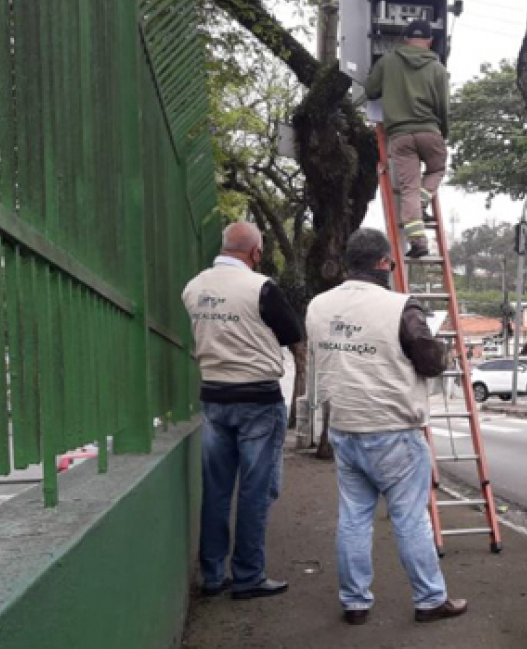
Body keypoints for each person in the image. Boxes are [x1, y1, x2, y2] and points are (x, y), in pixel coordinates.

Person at [306, 229, 466, 626]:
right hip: (394, 429)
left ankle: (355, 602)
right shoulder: (401, 308)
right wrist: (443, 352)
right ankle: (430, 599)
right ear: (383, 263)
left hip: (344, 425)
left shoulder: (318, 306)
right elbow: (429, 361)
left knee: (353, 518)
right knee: (410, 518)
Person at [181, 222, 305, 600]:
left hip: (214, 398)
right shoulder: (261, 288)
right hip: (258, 402)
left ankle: (213, 575)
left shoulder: (193, 287)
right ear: (255, 253)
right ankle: (249, 575)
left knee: (216, 490)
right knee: (254, 491)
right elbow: (292, 334)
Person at [365, 19, 450, 259]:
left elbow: (371, 90)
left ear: (404, 39)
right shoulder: (438, 68)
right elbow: (443, 105)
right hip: (429, 131)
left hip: (399, 135)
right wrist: (442, 132)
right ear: (430, 41)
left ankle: (419, 242)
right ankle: (424, 200)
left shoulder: (388, 61)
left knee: (408, 189)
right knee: (437, 169)